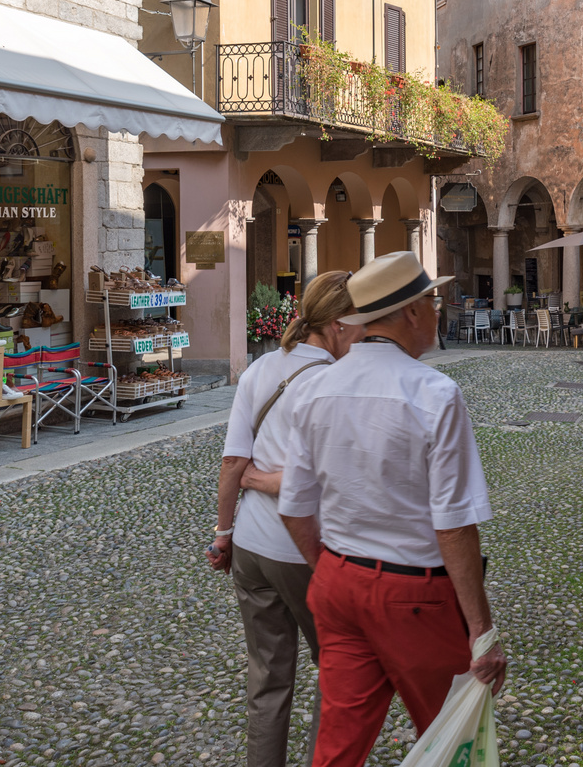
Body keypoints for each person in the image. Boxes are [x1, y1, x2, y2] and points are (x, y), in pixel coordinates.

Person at [277, 252, 507, 767]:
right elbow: (453, 523)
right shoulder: (434, 393)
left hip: (338, 581)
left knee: (338, 745)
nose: (438, 313)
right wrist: (481, 630)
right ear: (411, 313)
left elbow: (294, 507)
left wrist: (332, 570)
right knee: (453, 736)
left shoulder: (314, 388)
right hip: (414, 593)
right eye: (433, 302)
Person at [209, 271, 361, 767]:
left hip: (251, 547)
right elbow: (316, 479)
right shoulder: (336, 383)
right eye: (359, 324)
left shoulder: (259, 370)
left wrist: (224, 534)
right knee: (339, 667)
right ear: (336, 326)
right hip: (305, 549)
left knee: (267, 678)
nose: (363, 335)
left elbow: (234, 463)